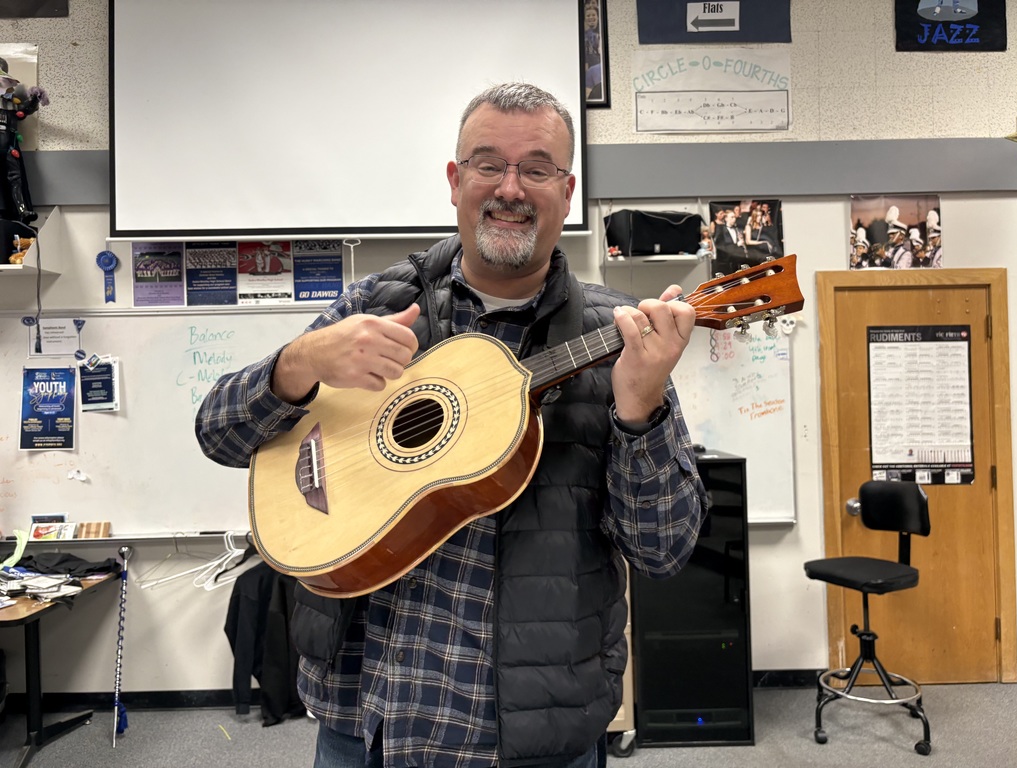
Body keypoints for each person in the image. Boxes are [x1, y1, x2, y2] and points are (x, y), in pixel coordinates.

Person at [195, 82, 708, 768]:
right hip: (364, 727)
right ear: (454, 179)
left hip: (530, 742)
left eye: (536, 169)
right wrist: (298, 362)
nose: (510, 188)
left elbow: (664, 552)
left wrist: (640, 412)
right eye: (488, 164)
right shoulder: (376, 306)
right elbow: (217, 433)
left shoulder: (619, 338)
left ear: (567, 189)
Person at [0, 57, 48, 225]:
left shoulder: (12, 104)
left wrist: (35, 97)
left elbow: (26, 110)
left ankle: (22, 210)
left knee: (15, 178)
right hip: (7, 146)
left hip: (9, 146)